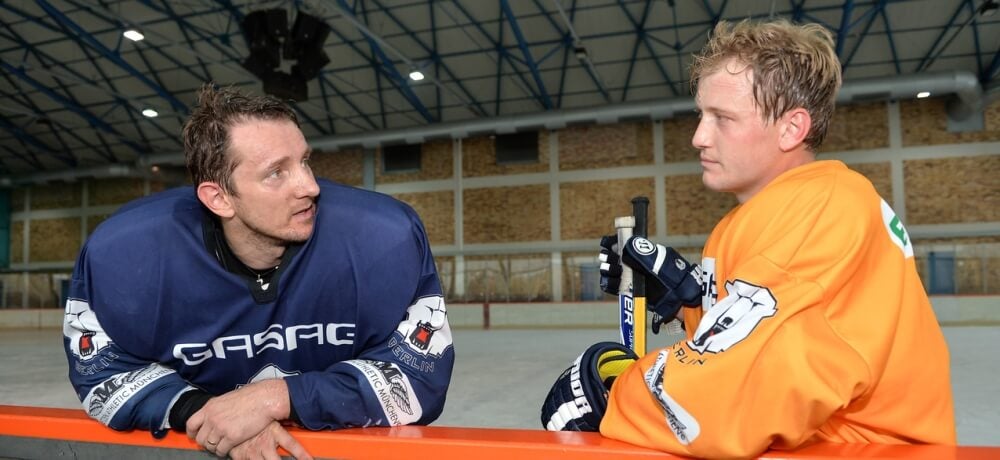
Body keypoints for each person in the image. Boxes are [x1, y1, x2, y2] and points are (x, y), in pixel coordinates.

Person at [541, 19, 955, 458]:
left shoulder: (826, 206)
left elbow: (736, 392)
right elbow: (768, 330)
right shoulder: (759, 216)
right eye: (701, 114)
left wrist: (616, 396)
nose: (699, 136)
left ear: (792, 128)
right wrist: (684, 301)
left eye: (723, 118)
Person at [63, 85, 455, 459]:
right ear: (218, 197)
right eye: (275, 173)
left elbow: (419, 374)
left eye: (304, 161)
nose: (310, 186)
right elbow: (102, 376)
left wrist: (276, 397)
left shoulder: (384, 237)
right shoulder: (124, 254)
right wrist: (207, 413)